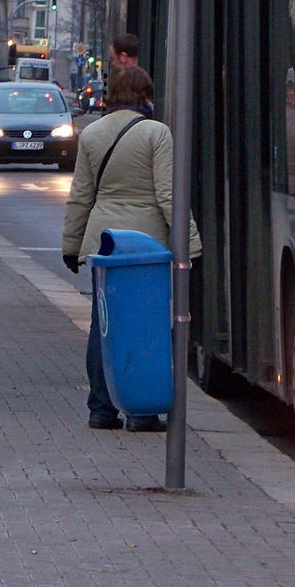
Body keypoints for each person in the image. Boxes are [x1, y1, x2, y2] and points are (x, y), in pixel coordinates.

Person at [62, 64, 202, 432]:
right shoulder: (157, 133)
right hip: (145, 245)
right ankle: (141, 411)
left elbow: (81, 196)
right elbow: (169, 195)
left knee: (102, 323)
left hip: (104, 242)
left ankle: (101, 408)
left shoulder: (91, 134)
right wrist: (189, 245)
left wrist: (71, 245)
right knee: (147, 326)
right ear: (145, 95)